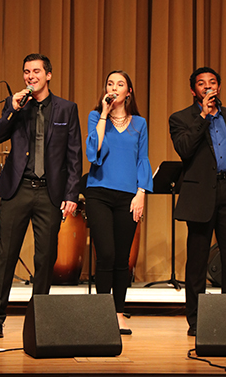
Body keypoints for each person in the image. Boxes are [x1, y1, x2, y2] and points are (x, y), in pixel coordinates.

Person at [0, 54, 82, 338]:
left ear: (48, 75)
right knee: (7, 256)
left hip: (49, 193)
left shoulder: (66, 109)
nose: (30, 76)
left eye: (36, 71)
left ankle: (37, 319)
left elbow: (74, 155)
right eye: (26, 71)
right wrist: (13, 110)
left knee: (45, 258)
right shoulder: (16, 104)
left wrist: (72, 193)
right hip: (17, 189)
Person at [169, 67, 226, 337]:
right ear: (194, 90)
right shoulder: (181, 118)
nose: (208, 87)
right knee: (196, 262)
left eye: (213, 82)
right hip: (200, 196)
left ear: (219, 87)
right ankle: (196, 321)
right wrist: (204, 116)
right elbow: (185, 148)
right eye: (201, 84)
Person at [85, 70, 153, 335]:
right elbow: (94, 151)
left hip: (128, 196)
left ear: (129, 92)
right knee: (106, 255)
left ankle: (118, 312)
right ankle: (103, 314)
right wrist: (103, 113)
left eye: (120, 84)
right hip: (99, 192)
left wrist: (142, 193)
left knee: (122, 259)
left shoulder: (140, 123)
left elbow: (142, 159)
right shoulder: (95, 117)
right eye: (110, 83)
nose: (114, 88)